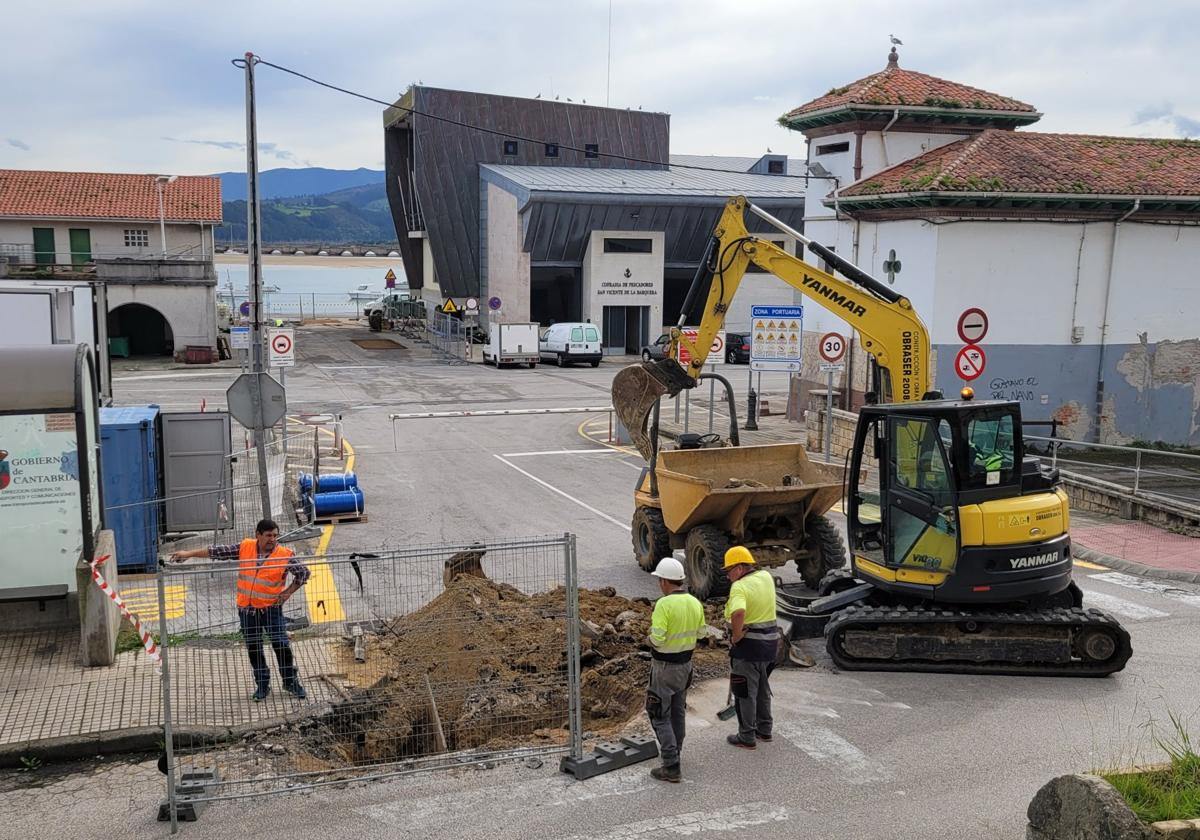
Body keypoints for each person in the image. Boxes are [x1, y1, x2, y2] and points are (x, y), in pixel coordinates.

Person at [170, 519, 310, 701]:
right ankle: (262, 685)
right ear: (258, 535)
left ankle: (290, 682)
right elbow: (217, 552)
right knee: (254, 648)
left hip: (271, 610)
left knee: (281, 645)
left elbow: (304, 573)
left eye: (275, 535)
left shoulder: (285, 555)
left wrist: (288, 593)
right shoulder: (245, 547)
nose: (273, 539)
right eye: (268, 535)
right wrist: (189, 553)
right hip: (247, 610)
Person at [645, 556, 706, 783]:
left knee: (659, 713)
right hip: (685, 666)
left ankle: (671, 764)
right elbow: (701, 633)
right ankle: (676, 750)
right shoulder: (694, 602)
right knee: (677, 710)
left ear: (664, 581)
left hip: (664, 667)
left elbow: (658, 639)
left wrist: (649, 639)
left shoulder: (664, 604)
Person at [723, 545, 778, 749]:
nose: (728, 576)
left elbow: (738, 613)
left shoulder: (739, 587)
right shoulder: (766, 577)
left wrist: (736, 636)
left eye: (729, 570)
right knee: (763, 689)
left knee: (745, 692)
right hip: (771, 645)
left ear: (739, 567)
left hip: (749, 648)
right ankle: (765, 730)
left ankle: (746, 736)